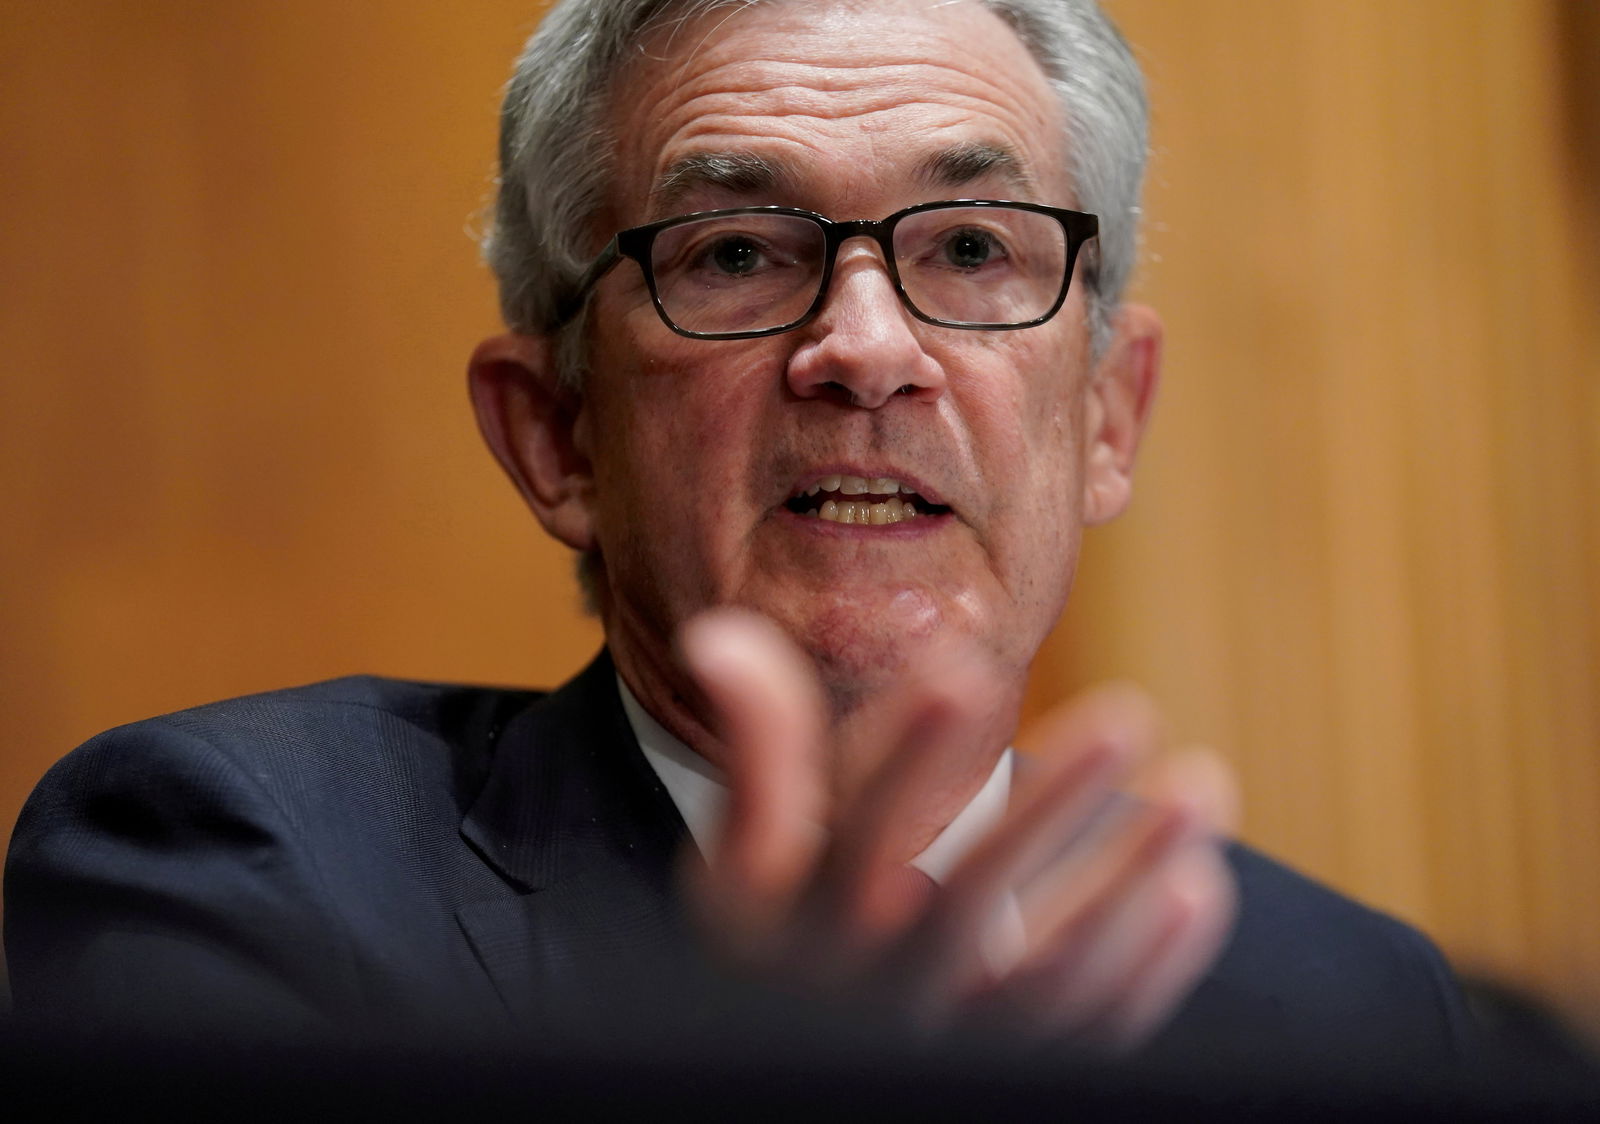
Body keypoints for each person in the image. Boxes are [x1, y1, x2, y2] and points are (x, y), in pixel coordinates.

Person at [5, 0, 1471, 1067]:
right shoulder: (236, 874)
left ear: (1106, 418)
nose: (867, 347)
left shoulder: (1356, 1011)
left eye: (970, 247)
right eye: (736, 255)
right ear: (556, 435)